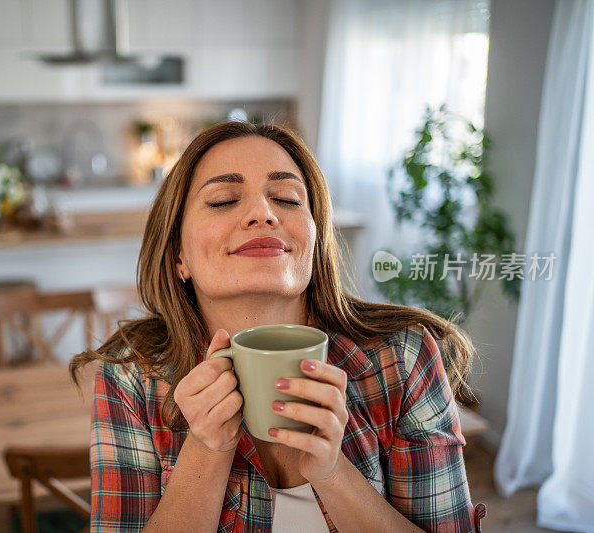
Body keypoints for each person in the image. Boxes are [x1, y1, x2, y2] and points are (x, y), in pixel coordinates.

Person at [70, 121, 483, 532]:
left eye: (286, 198)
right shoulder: (130, 375)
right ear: (180, 255)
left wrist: (332, 472)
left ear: (316, 241)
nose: (263, 214)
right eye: (223, 200)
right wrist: (206, 450)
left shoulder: (404, 356)